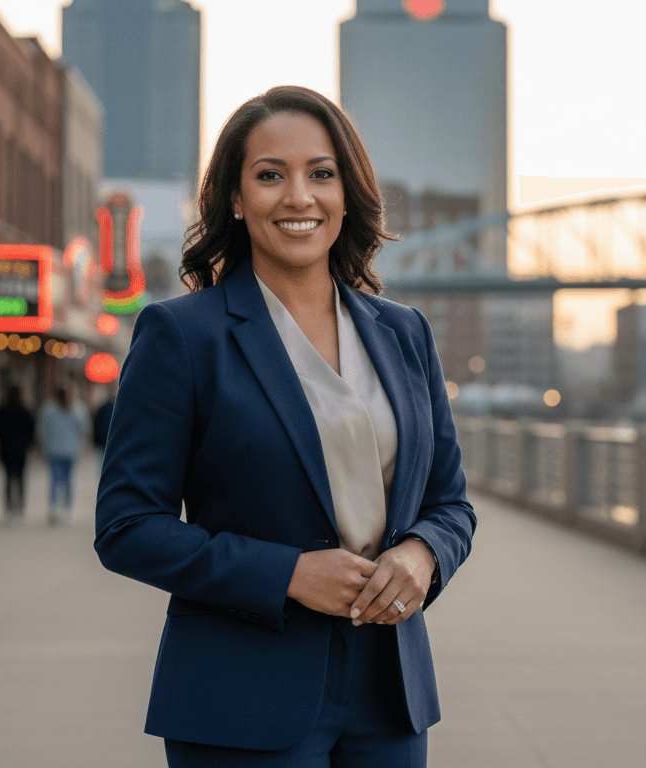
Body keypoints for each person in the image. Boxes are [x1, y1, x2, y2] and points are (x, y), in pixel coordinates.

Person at [95, 85, 475, 768]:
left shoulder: (405, 333)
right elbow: (126, 527)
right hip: (242, 694)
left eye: (321, 173)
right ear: (236, 200)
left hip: (391, 695)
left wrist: (423, 555)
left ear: (347, 193)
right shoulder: (182, 336)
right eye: (270, 175)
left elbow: (450, 504)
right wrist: (288, 574)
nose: (300, 197)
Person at [39, 383, 86, 526]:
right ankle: (67, 510)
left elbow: (43, 431)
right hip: (71, 451)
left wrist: (43, 449)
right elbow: (84, 430)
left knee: (55, 480)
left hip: (54, 450)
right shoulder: (78, 410)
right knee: (68, 480)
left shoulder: (48, 410)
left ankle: (54, 509)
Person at [0, 385, 34, 526]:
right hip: (21, 451)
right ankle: (20, 508)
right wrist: (29, 444)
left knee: (8, 479)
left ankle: (9, 509)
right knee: (20, 479)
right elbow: (31, 431)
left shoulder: (2, 410)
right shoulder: (25, 410)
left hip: (6, 450)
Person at [91, 384, 116, 480]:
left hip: (110, 444)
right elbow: (96, 425)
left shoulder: (118, 408)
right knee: (103, 469)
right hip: (103, 444)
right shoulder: (103, 408)